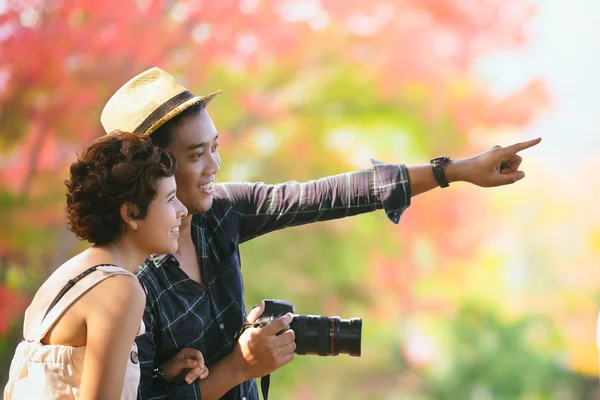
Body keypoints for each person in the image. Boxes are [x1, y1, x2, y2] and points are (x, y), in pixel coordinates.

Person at [100, 67, 542, 400]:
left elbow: (324, 195)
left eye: (215, 148)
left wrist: (456, 170)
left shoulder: (221, 214)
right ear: (154, 167)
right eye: (196, 154)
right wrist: (239, 366)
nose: (214, 166)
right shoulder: (126, 279)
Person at [2, 131, 208, 399]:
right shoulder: (120, 289)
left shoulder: (70, 274)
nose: (182, 210)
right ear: (131, 213)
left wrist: (159, 372)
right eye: (170, 199)